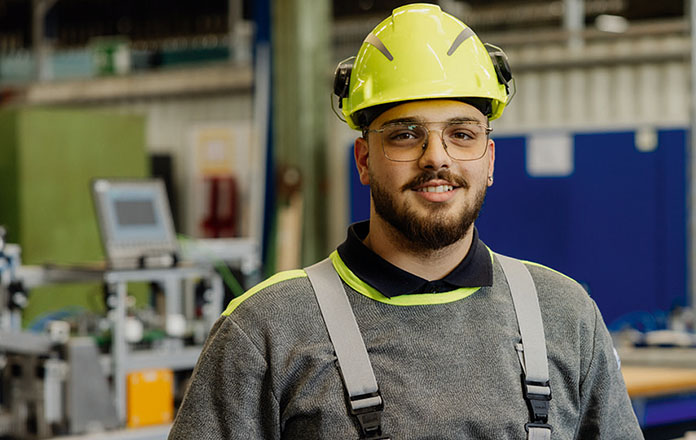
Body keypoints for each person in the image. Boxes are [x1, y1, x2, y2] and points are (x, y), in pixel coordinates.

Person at [169, 3, 644, 439]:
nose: (436, 158)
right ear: (364, 160)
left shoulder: (564, 314)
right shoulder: (265, 332)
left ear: (490, 159)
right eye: (404, 135)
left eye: (461, 134)